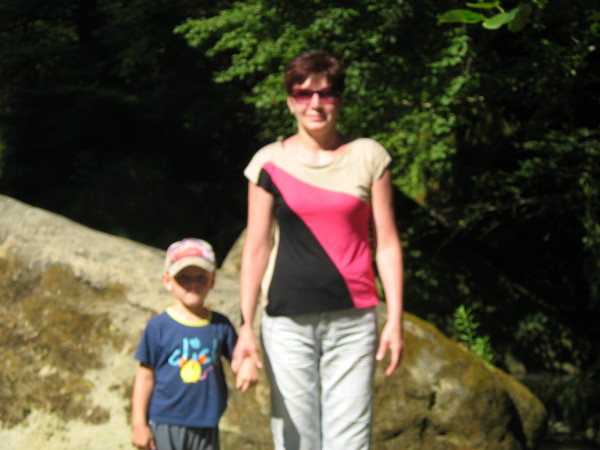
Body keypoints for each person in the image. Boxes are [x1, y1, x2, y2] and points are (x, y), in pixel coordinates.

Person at [231, 50, 405, 450]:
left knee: (351, 440)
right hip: (286, 322)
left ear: (339, 99)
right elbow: (256, 249)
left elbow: (387, 243)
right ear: (290, 100)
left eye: (325, 93)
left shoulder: (369, 156)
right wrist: (246, 326)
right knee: (296, 439)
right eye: (303, 93)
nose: (315, 104)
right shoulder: (268, 163)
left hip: (353, 320)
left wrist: (394, 319)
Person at [131, 238, 258, 450]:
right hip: (164, 422)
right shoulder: (158, 326)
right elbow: (145, 376)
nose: (193, 283)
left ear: (212, 280)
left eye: (201, 276)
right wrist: (139, 424)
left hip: (206, 422)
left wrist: (248, 364)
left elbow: (240, 356)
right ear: (167, 281)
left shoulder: (220, 325)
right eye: (183, 277)